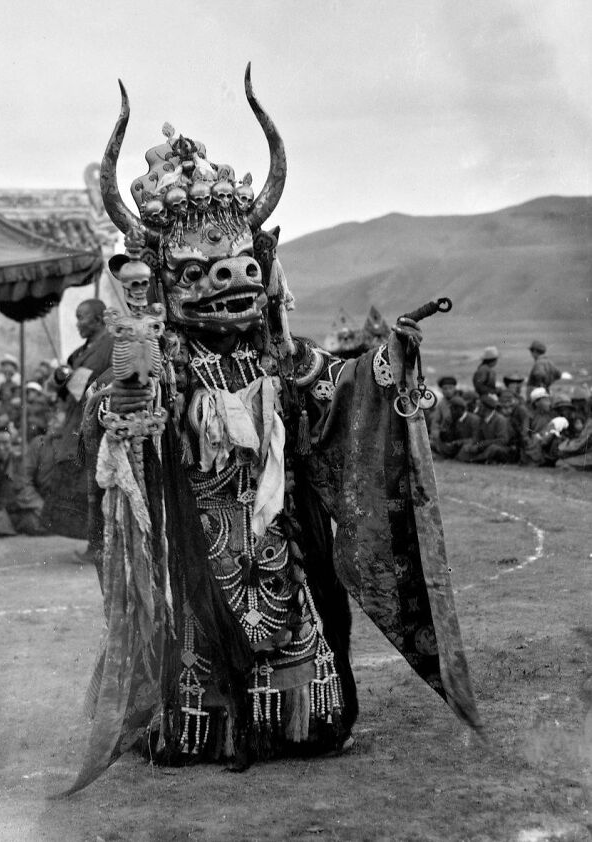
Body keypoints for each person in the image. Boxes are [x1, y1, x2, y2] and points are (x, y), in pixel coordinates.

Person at [66, 76, 481, 794]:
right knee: (193, 656)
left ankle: (294, 719)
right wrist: (123, 415)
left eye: (240, 264)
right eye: (196, 271)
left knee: (299, 660)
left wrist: (390, 360)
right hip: (197, 544)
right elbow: (114, 429)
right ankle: (195, 721)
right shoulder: (160, 362)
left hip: (274, 545)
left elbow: (338, 387)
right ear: (162, 281)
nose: (230, 281)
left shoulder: (278, 360)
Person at [41, 299, 113, 543]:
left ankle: (99, 543)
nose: (77, 323)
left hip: (98, 422)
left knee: (95, 484)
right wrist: (61, 376)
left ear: (98, 319)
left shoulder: (110, 345)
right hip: (75, 422)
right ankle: (92, 541)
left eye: (81, 317)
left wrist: (74, 380)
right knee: (80, 485)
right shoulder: (80, 351)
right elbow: (64, 386)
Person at [0, 428, 44, 535]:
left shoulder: (20, 462)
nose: (1, 447)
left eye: (5, 443)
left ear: (11, 444)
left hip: (21, 509)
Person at [456, 393, 511, 463]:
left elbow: (503, 440)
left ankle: (476, 460)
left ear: (485, 408)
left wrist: (481, 445)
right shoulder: (481, 420)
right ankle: (479, 459)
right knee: (466, 447)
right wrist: (473, 445)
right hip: (484, 447)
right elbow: (478, 437)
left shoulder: (500, 420)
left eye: (479, 406)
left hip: (500, 448)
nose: (477, 409)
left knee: (493, 449)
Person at [429, 376, 458, 455]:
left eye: (450, 388)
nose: (448, 391)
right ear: (441, 390)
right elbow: (435, 421)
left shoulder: (460, 401)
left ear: (455, 388)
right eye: (445, 388)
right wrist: (436, 434)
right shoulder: (441, 404)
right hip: (445, 434)